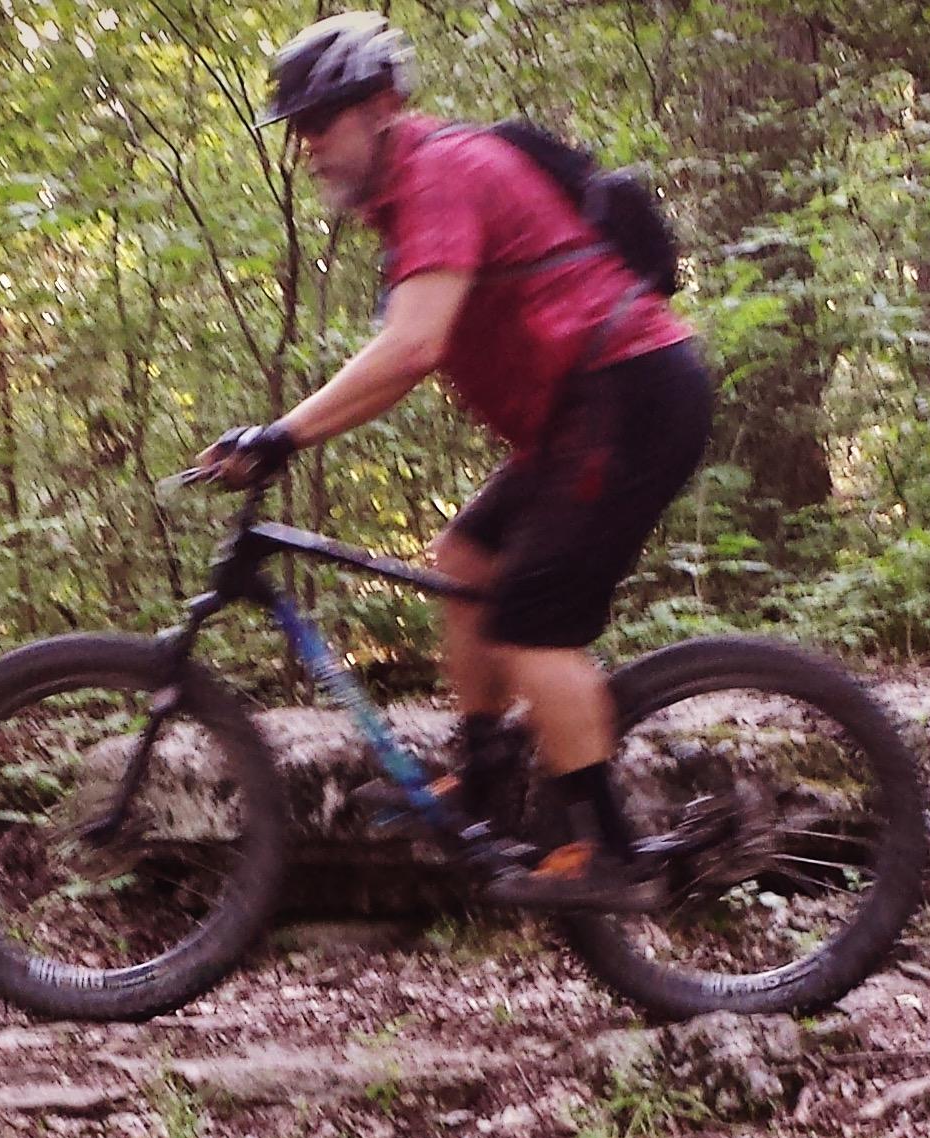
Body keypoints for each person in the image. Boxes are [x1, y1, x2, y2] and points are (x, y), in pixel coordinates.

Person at [198, 12, 713, 910]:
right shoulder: (407, 197)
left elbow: (410, 348)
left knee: (532, 625)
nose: (310, 146)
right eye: (300, 130)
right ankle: (482, 777)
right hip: (588, 407)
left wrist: (281, 434)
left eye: (324, 121)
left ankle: (613, 854)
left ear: (384, 105)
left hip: (629, 390)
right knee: (469, 556)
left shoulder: (440, 172)